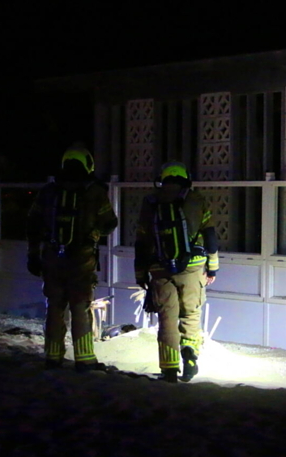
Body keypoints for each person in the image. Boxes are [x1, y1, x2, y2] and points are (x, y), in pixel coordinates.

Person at [26, 145, 119, 371]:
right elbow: (110, 223)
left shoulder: (48, 191)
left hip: (51, 258)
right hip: (81, 259)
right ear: (87, 164)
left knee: (55, 307)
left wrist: (33, 255)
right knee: (80, 307)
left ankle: (53, 356)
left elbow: (33, 223)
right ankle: (85, 359)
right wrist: (94, 230)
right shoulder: (95, 191)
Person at [134, 161, 219, 383]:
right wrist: (213, 267)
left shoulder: (150, 201)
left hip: (159, 267)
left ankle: (169, 368)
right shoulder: (196, 199)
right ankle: (190, 355)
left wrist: (140, 272)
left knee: (167, 318)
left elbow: (142, 240)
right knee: (191, 313)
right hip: (192, 266)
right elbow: (210, 236)